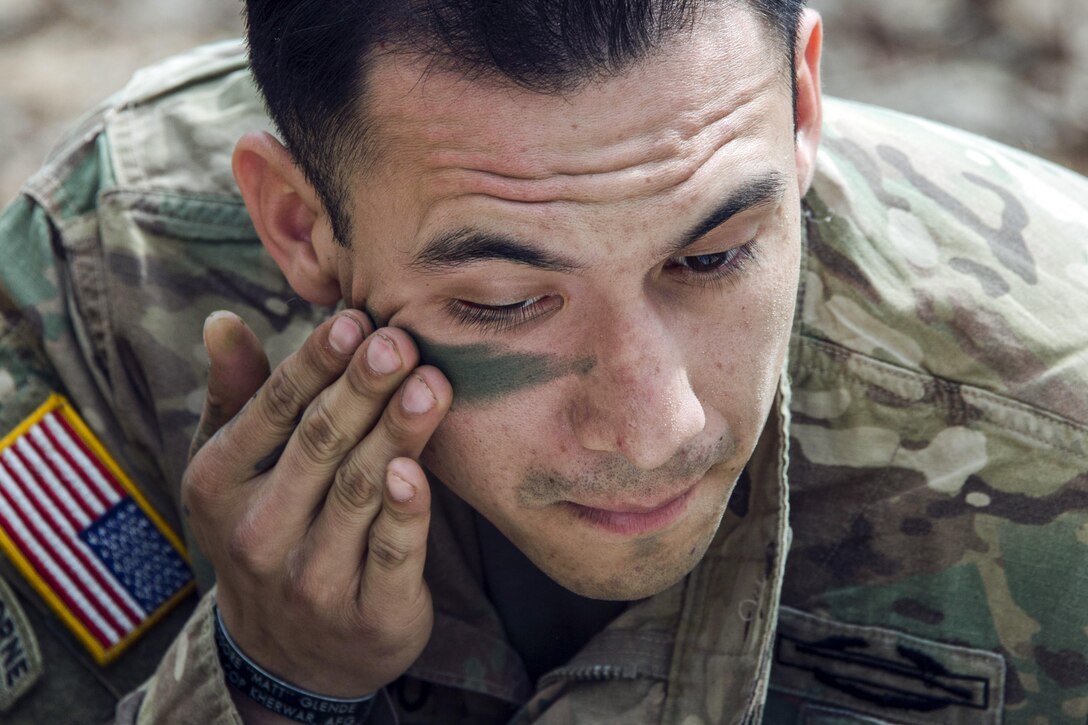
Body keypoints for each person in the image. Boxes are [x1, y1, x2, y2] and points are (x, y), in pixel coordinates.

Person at [0, 0, 1085, 722]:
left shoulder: (1054, 417)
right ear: (297, 223)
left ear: (800, 103)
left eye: (712, 256)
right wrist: (266, 679)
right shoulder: (110, 289)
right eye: (505, 300)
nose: (654, 424)